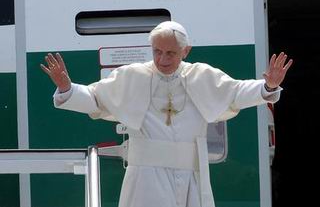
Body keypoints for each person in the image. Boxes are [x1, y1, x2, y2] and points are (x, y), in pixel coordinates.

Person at [41, 21, 292, 207]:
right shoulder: (133, 76)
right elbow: (95, 98)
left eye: (170, 53)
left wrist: (268, 87)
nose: (162, 59)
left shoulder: (201, 76)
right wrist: (66, 88)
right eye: (157, 51)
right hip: (146, 177)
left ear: (185, 51)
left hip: (190, 176)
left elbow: (236, 92)